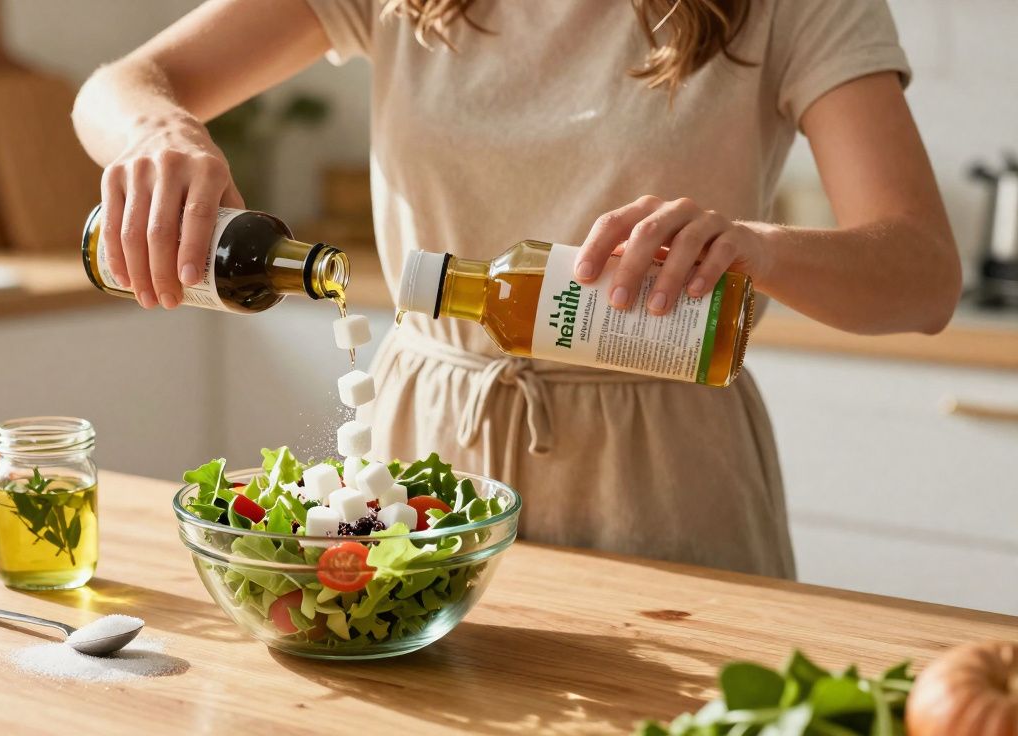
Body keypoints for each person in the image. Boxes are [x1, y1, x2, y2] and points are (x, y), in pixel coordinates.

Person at [71, 0, 960, 578]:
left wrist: (754, 248)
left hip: (665, 468)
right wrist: (158, 134)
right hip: (425, 445)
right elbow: (118, 86)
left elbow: (922, 277)